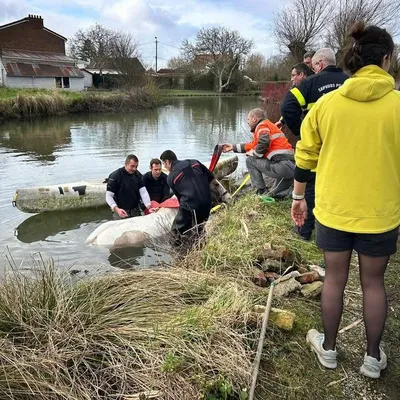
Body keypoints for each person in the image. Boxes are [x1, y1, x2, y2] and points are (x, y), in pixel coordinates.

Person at [291, 22, 400, 379]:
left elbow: (305, 155)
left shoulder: (326, 105)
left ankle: (329, 349)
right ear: (387, 59)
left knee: (335, 280)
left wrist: (297, 196)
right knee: (373, 284)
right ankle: (372, 358)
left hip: (334, 212)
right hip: (380, 215)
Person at [281, 48, 349, 240]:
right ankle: (339, 230)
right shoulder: (349, 82)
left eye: (313, 65)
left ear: (319, 64)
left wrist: (302, 131)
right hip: (344, 147)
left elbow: (287, 106)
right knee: (340, 188)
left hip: (317, 146)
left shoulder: (311, 83)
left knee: (309, 188)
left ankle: (305, 231)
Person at [223, 108, 295, 198]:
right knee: (274, 195)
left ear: (254, 119)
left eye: (248, 119)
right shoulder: (270, 126)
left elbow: (264, 141)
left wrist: (255, 154)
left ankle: (260, 191)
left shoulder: (261, 125)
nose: (247, 122)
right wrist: (232, 147)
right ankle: (296, 194)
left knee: (250, 160)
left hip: (282, 165)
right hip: (292, 167)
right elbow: (252, 145)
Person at [160, 150, 215, 241]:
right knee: (200, 229)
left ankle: (181, 253)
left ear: (167, 162)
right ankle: (202, 246)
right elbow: (211, 178)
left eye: (164, 164)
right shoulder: (194, 162)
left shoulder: (171, 177)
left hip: (190, 206)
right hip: (207, 203)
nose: (165, 166)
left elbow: (180, 198)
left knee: (175, 233)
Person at [106, 154, 155, 218]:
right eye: (132, 166)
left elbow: (143, 192)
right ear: (126, 164)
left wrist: (149, 206)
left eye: (136, 166)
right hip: (120, 210)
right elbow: (108, 196)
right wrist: (117, 209)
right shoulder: (115, 176)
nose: (134, 169)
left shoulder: (138, 175)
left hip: (135, 209)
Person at [275, 62, 313, 129]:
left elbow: (287, 108)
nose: (291, 79)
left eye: (293, 75)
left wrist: (299, 130)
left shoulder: (311, 87)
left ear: (301, 74)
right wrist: (282, 120)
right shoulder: (300, 88)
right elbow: (293, 106)